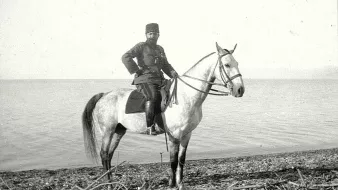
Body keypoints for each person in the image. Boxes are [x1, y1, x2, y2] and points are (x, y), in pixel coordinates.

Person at [122, 23, 178, 135]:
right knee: (152, 96)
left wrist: (173, 73)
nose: (152, 36)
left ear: (158, 35)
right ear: (146, 35)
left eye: (155, 34)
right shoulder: (141, 46)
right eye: (150, 34)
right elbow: (125, 57)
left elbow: (166, 65)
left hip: (159, 80)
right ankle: (150, 126)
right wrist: (136, 70)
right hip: (144, 79)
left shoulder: (160, 49)